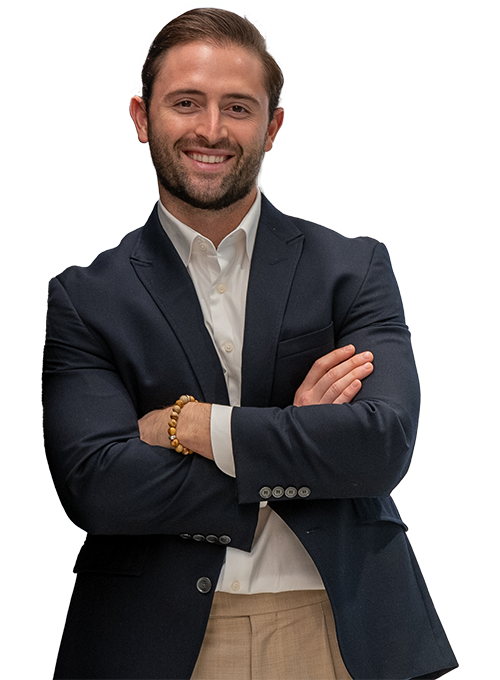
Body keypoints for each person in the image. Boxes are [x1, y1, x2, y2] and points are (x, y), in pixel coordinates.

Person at [42, 8, 458, 680]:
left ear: (272, 126)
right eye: (186, 103)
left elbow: (380, 446)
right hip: (151, 641)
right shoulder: (79, 299)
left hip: (343, 629)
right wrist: (303, 440)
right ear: (143, 118)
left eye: (238, 106)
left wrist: (193, 426)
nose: (212, 129)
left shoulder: (354, 268)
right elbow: (99, 486)